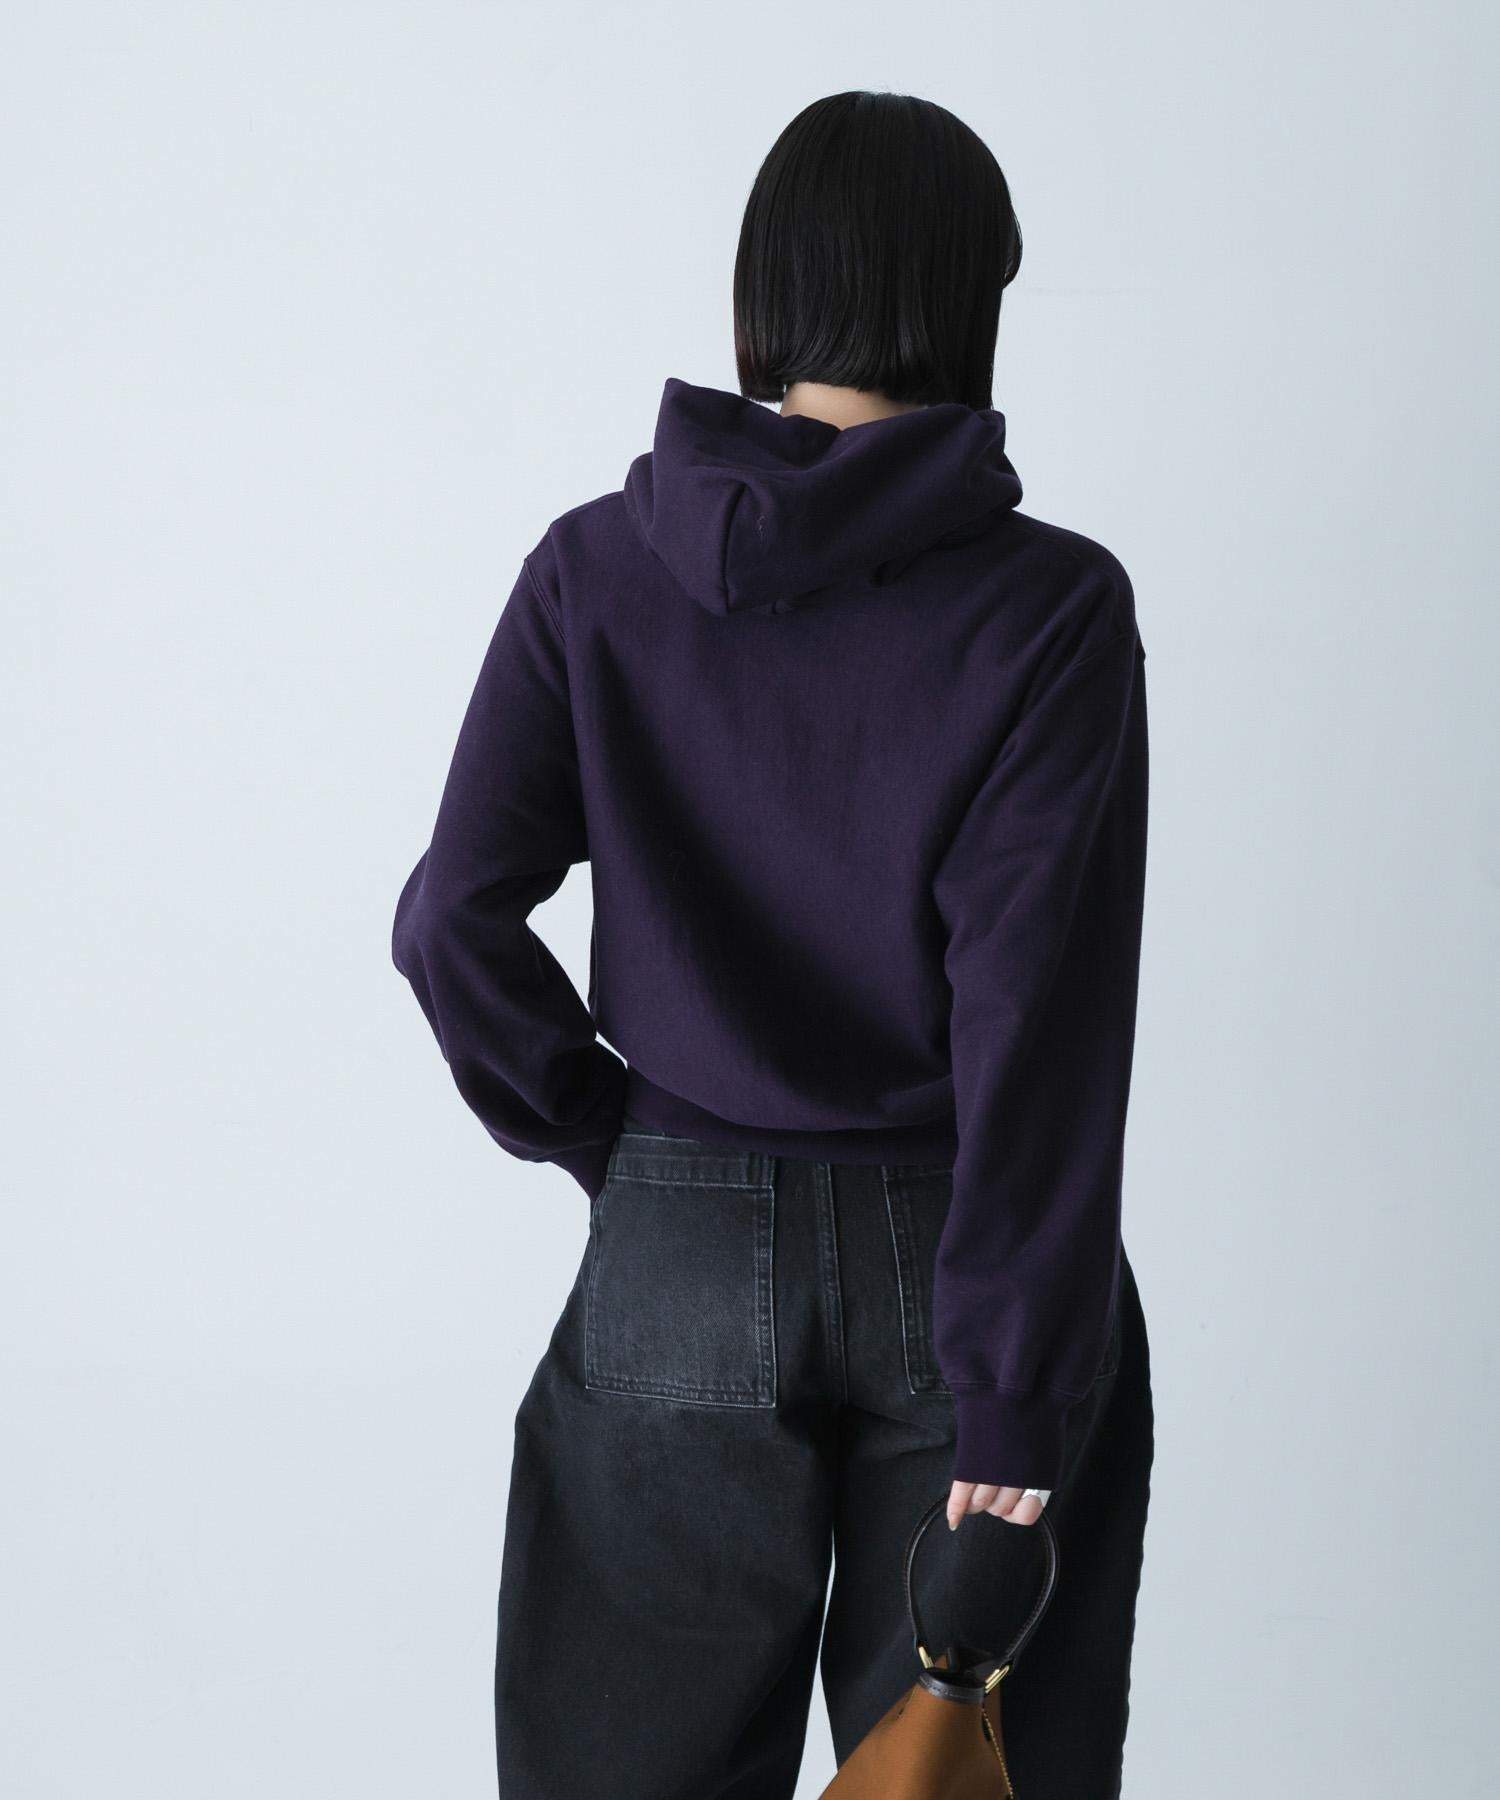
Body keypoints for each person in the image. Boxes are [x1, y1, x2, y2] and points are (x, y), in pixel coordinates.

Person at [391, 88, 1153, 1800]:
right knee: (951, 1775)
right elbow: (1034, 1019)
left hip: (676, 1230)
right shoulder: (1053, 609)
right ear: (973, 299)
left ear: (763, 296)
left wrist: (604, 1134)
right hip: (963, 1252)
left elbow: (451, 916)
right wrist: (1017, 1390)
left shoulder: (594, 570)